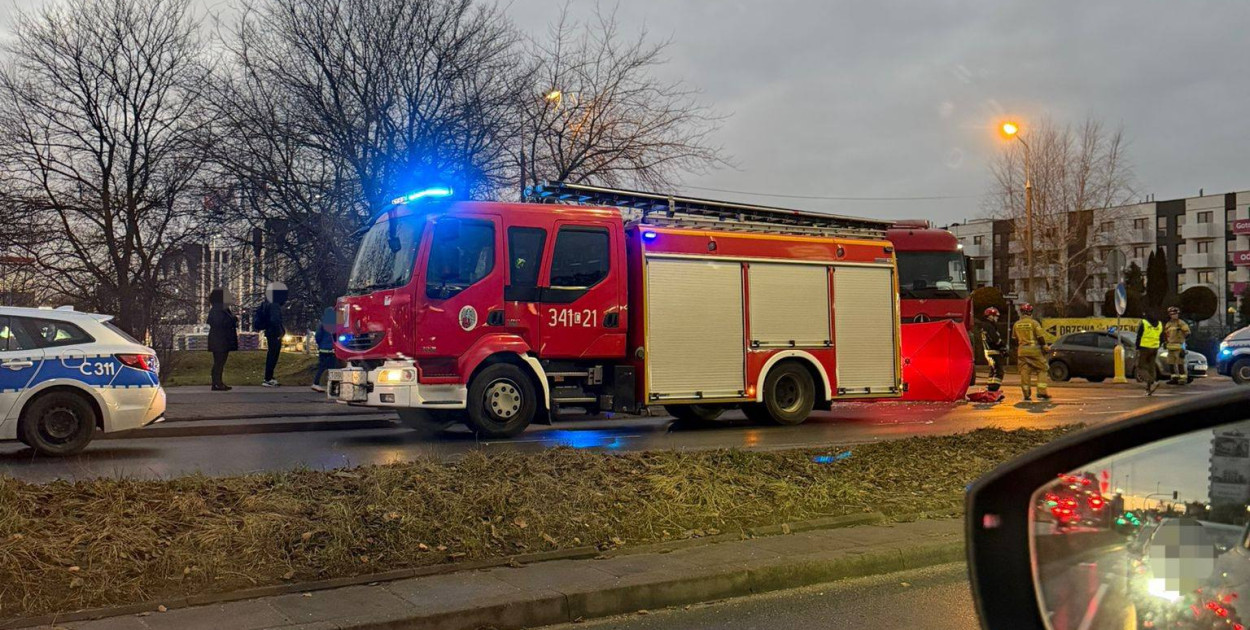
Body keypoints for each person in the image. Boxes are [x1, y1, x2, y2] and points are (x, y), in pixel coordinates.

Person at [1013, 303, 1051, 402]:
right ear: (1031, 312)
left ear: (1021, 313)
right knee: (1043, 368)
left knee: (1025, 372)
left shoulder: (1016, 324)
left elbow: (1014, 339)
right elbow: (1040, 337)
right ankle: (1041, 392)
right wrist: (1044, 346)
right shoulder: (1034, 323)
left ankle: (1026, 394)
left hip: (1021, 351)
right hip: (1034, 351)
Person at [253, 281, 288, 387]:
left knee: (271, 355)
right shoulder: (274, 305)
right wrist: (279, 332)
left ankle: (269, 377)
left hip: (270, 332)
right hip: (274, 333)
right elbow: (275, 320)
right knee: (273, 355)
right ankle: (268, 378)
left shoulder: (267, 303)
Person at [206, 288, 239, 391]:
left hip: (221, 339)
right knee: (219, 362)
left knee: (220, 362)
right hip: (219, 340)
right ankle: (217, 383)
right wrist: (233, 319)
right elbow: (220, 323)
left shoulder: (222, 309)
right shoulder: (218, 310)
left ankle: (218, 382)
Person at [975, 307, 1007, 401]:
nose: (997, 319)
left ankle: (990, 389)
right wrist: (1002, 347)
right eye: (996, 317)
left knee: (993, 371)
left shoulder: (984, 326)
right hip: (994, 351)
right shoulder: (989, 326)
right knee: (999, 372)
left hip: (988, 351)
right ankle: (994, 390)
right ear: (991, 316)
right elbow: (995, 339)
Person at [1135, 308, 1164, 395]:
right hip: (1155, 348)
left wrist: (1137, 346)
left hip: (1145, 347)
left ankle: (1152, 382)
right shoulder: (1159, 324)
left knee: (1141, 367)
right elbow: (1161, 337)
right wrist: (1158, 345)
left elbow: (1139, 336)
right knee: (1151, 367)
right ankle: (1149, 389)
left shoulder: (1144, 322)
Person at [1163, 306, 1191, 385]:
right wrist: (1165, 342)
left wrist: (1183, 345)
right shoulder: (1168, 324)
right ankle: (1174, 378)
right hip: (1170, 346)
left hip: (1179, 346)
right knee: (1170, 363)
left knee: (1180, 363)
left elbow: (1187, 333)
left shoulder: (1181, 323)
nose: (1174, 315)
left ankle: (1182, 379)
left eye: (1175, 314)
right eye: (1172, 314)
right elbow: (1166, 334)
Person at [311, 308, 336, 393]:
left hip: (323, 349)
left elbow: (318, 337)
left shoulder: (322, 324)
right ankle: (332, 386)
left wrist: (320, 345)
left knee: (322, 367)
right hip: (331, 350)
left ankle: (317, 383)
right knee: (333, 369)